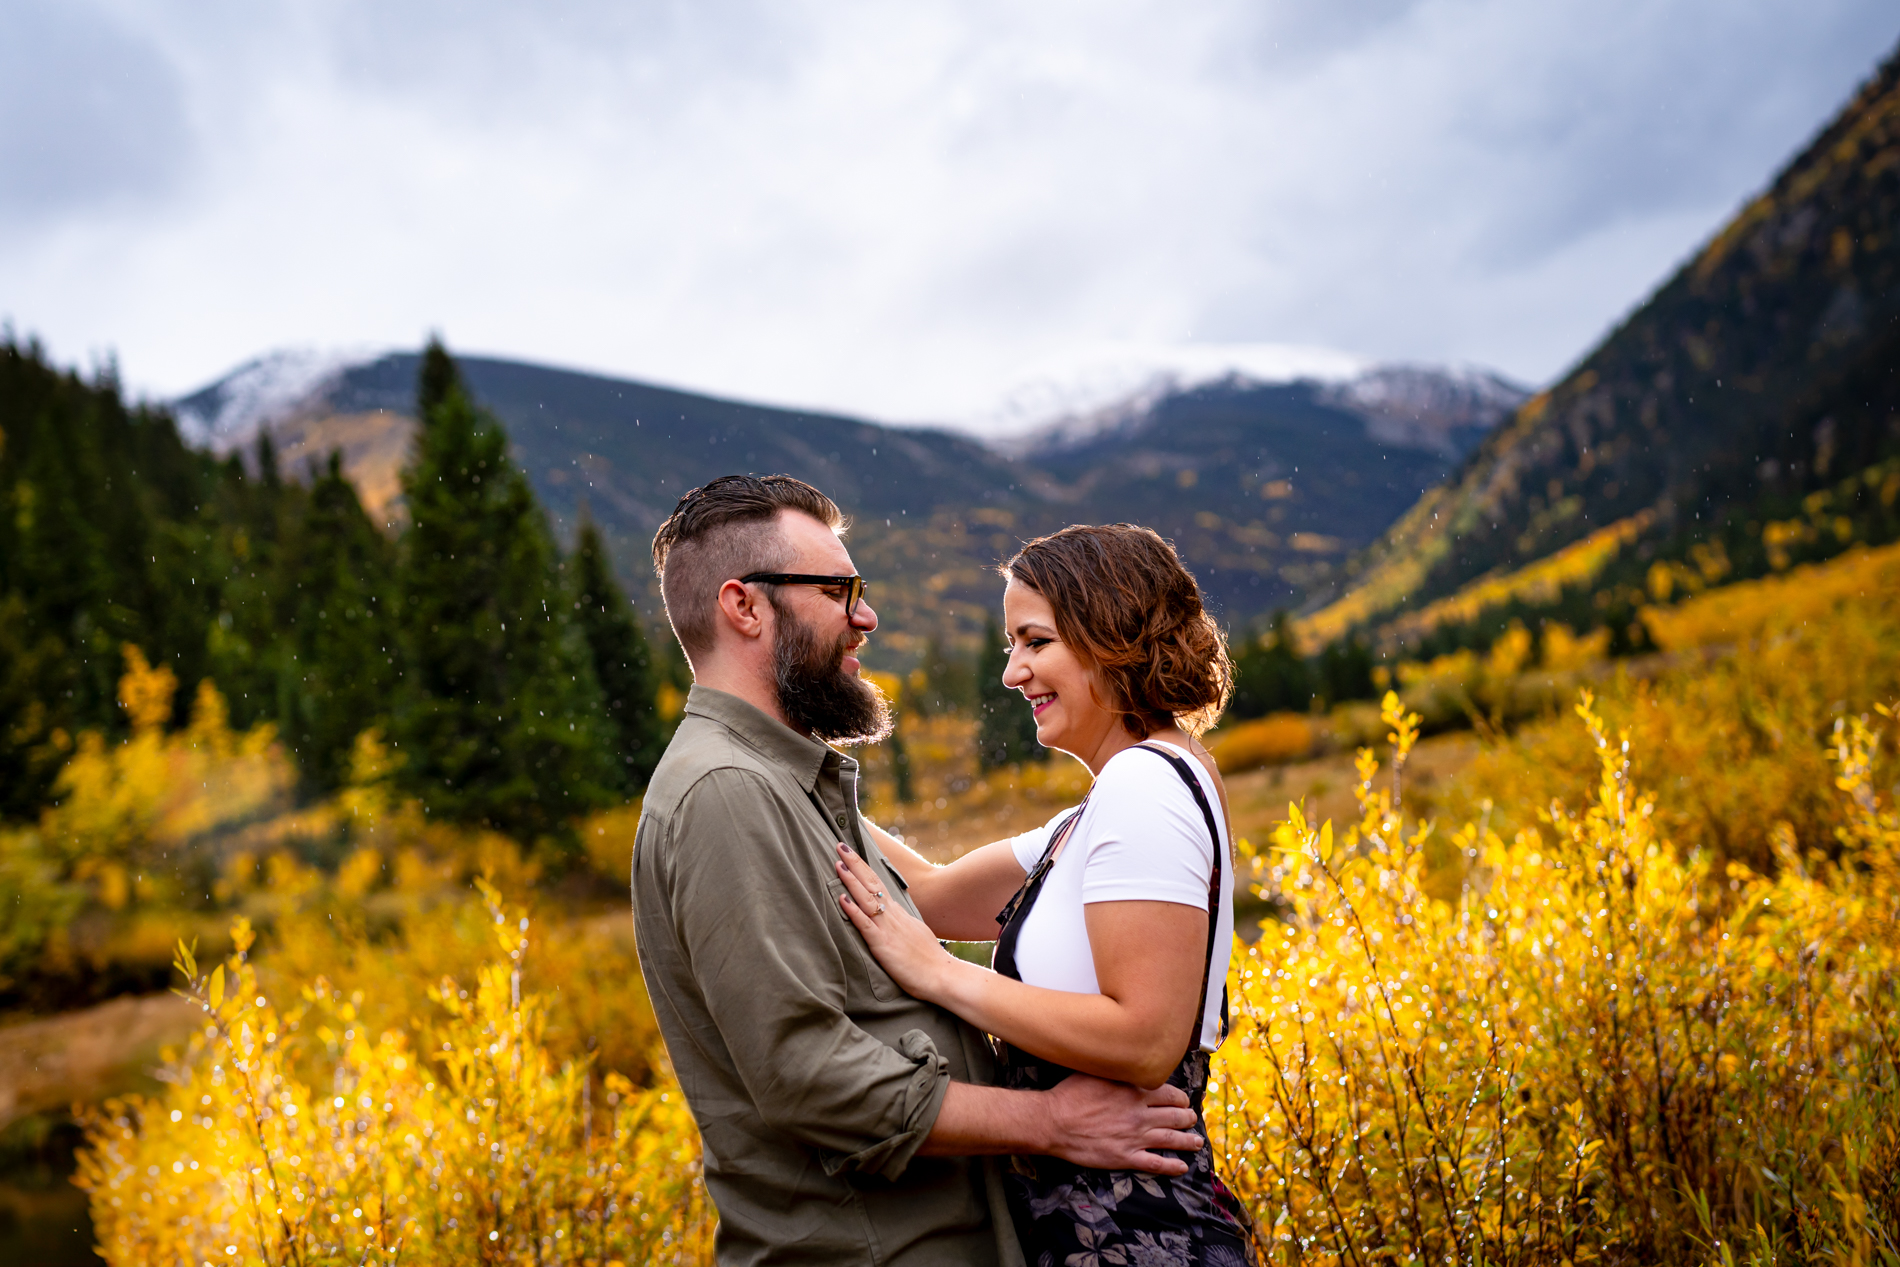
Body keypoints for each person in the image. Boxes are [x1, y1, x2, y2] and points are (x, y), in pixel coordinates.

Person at [633, 477, 1207, 1267]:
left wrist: (783, 774)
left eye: (1035, 643)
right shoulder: (727, 792)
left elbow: (927, 897)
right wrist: (1050, 1121)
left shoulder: (763, 785)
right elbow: (807, 1076)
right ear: (745, 607)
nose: (865, 615)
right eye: (840, 590)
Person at [833, 523, 1257, 1266]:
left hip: (1137, 1235)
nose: (1012, 672)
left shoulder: (1145, 785)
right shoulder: (1097, 811)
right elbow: (929, 895)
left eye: (1035, 641)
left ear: (1108, 632)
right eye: (1010, 646)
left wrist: (940, 974)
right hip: (1100, 1230)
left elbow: (1146, 1038)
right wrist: (799, 768)